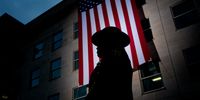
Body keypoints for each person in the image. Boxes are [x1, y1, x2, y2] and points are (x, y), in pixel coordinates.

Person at [85, 27, 133, 100]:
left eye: (100, 43)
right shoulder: (102, 65)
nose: (97, 47)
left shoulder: (117, 64)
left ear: (110, 44)